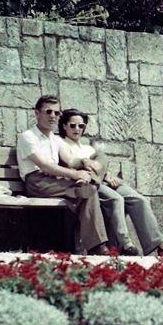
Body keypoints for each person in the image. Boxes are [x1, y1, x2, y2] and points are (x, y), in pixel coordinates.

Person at [55, 109, 163, 257]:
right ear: (64, 126)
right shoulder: (61, 145)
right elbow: (70, 165)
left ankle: (161, 244)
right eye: (73, 125)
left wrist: (107, 175)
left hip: (101, 180)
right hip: (85, 185)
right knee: (116, 199)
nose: (77, 129)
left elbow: (100, 166)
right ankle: (126, 245)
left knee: (139, 199)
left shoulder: (88, 148)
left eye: (81, 126)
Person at [16, 95, 110, 255]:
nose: (53, 116)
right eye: (48, 112)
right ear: (37, 113)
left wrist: (85, 161)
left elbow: (71, 160)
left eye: (57, 113)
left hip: (56, 180)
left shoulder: (56, 139)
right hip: (37, 182)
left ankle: (89, 184)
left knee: (100, 161)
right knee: (86, 191)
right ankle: (97, 246)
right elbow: (45, 166)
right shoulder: (27, 137)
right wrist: (76, 174)